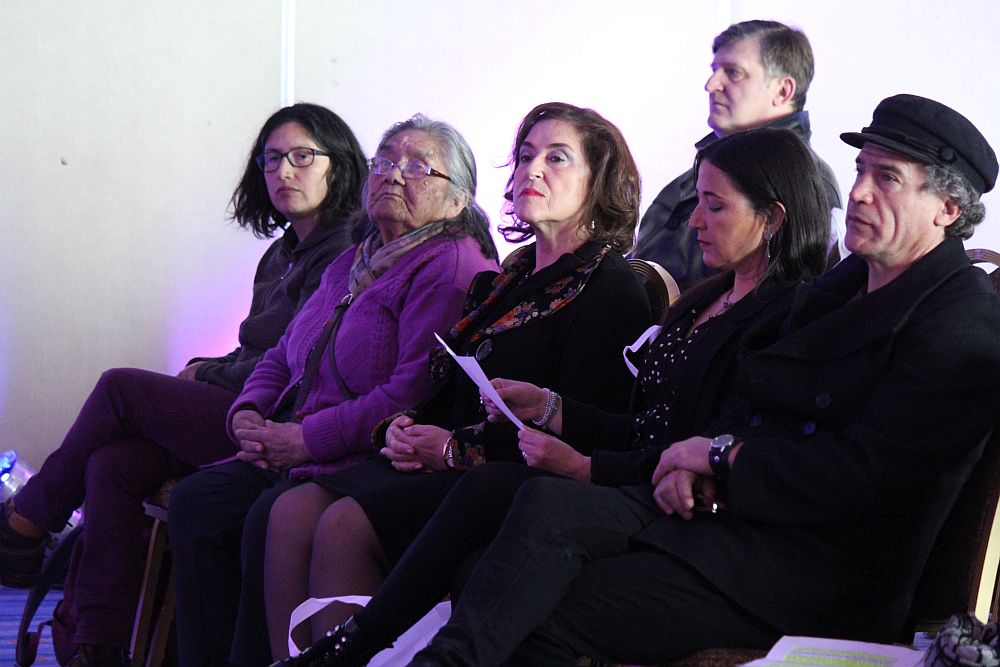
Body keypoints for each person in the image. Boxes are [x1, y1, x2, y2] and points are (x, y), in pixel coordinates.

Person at [402, 94, 1000, 667]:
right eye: (861, 169)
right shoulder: (840, 288)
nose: (860, 192)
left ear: (947, 209)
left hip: (817, 577)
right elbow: (757, 399)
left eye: (887, 178)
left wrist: (721, 458)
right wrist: (700, 460)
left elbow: (870, 476)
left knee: (536, 609)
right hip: (738, 528)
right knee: (532, 519)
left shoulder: (961, 322)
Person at [274, 126, 832, 667]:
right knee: (288, 507)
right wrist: (550, 408)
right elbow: (643, 424)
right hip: (623, 473)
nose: (694, 220)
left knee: (498, 503)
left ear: (771, 219)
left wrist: (580, 465)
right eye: (525, 155)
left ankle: (370, 648)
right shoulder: (699, 299)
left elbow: (700, 441)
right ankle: (353, 647)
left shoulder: (779, 315)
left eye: (714, 206)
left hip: (670, 500)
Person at [256, 101, 652, 664]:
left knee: (343, 523)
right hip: (457, 463)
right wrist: (403, 428)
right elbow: (447, 388)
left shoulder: (609, 287)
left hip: (518, 481)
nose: (532, 170)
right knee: (292, 510)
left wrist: (448, 447)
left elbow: (587, 433)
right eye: (525, 156)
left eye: (557, 158)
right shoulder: (510, 276)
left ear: (598, 180)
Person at [0, 102, 366, 666]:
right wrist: (210, 365)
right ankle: (96, 646)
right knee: (114, 463)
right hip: (242, 399)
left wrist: (207, 373)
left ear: (336, 165)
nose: (283, 172)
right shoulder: (280, 254)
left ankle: (23, 525)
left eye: (301, 157)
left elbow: (296, 365)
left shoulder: (344, 252)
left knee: (119, 388)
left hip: (280, 420)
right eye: (271, 160)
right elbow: (256, 351)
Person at [167, 113, 500, 667]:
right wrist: (249, 410)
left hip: (368, 450)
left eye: (418, 167)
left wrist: (304, 441)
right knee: (199, 499)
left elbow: (409, 393)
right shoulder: (355, 256)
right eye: (385, 161)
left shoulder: (449, 266)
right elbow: (284, 351)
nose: (394, 174)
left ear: (458, 198)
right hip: (304, 440)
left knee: (268, 513)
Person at [632, 19, 842, 290]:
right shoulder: (708, 166)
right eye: (714, 70)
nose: (711, 84)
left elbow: (788, 294)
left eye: (733, 73)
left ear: (782, 91)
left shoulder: (805, 180)